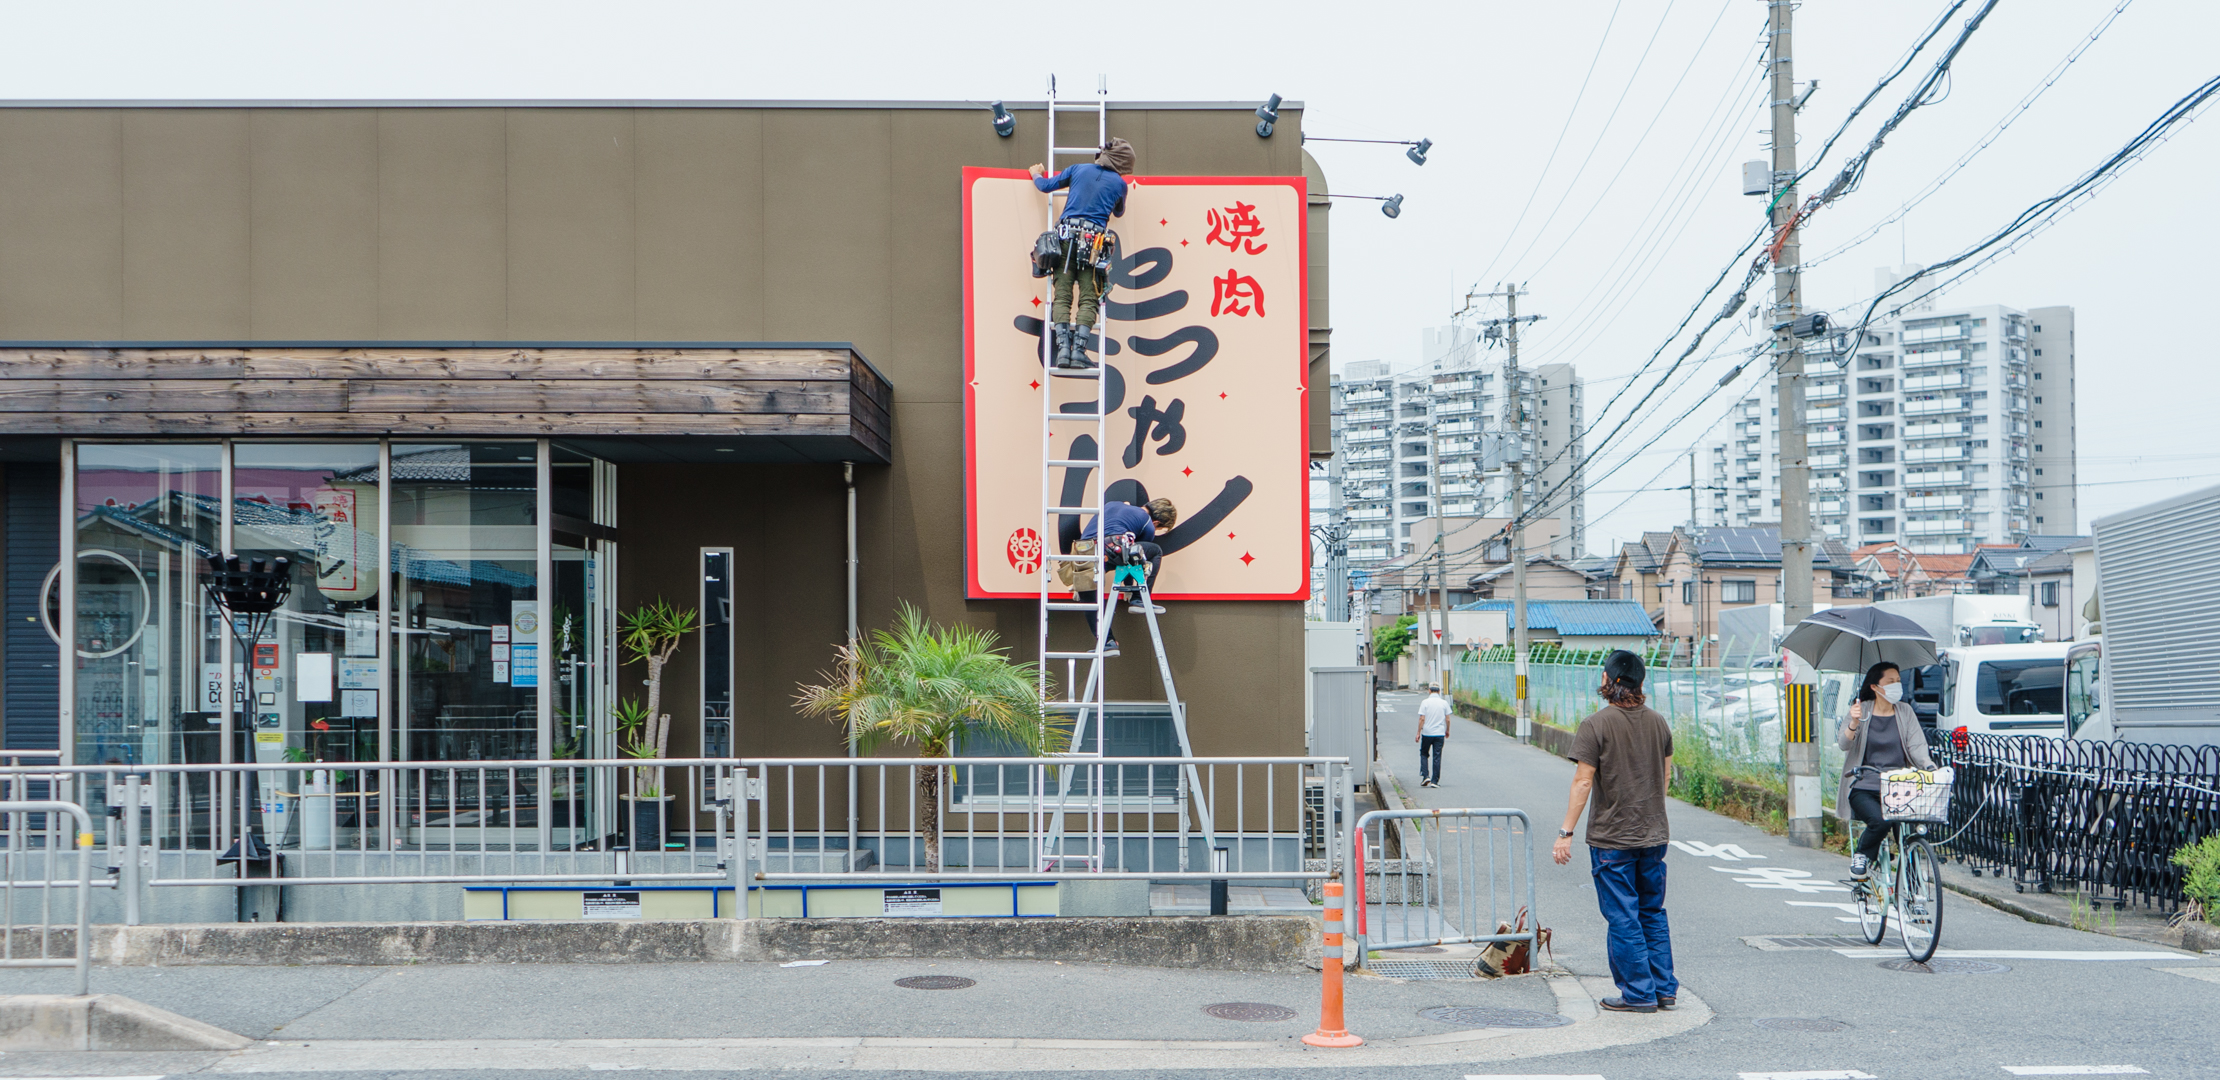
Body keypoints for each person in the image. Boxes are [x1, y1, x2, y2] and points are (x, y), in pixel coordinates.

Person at [1552, 649, 1678, 1014]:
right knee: (1652, 911)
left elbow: (1582, 782)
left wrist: (1566, 832)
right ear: (1641, 683)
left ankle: (1638, 993)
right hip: (1654, 834)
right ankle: (1664, 989)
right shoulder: (1659, 723)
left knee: (1623, 916)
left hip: (1613, 838)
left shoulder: (1596, 725)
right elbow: (1666, 776)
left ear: (1608, 681)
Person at [1029, 137, 1135, 370]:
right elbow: (1119, 212)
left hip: (1065, 239)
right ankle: (1079, 351)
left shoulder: (1078, 169)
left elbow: (1046, 186)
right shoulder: (1119, 184)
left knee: (1063, 295)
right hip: (1093, 246)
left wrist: (1036, 174)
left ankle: (1063, 350)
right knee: (1089, 298)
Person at [1839, 660, 1937, 880]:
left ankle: (1912, 888)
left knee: (1911, 831)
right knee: (1880, 821)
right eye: (1890, 681)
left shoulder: (1905, 711)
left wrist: (1929, 767)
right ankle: (1862, 857)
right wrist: (1854, 722)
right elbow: (1843, 744)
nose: (1897, 686)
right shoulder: (1860, 710)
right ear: (1875, 686)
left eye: (1898, 681)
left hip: (1901, 787)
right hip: (1865, 785)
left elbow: (1917, 746)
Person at [1070, 497, 1175, 656]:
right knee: (1154, 551)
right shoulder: (1147, 523)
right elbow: (1134, 558)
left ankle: (1107, 642)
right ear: (1157, 523)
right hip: (1112, 547)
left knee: (1090, 597)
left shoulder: (1113, 505)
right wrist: (1130, 590)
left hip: (1083, 551)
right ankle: (1138, 598)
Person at [1414, 685, 1450, 787]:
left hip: (1427, 733)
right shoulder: (1444, 703)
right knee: (1437, 756)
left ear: (1429, 690)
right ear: (1439, 691)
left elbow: (1422, 718)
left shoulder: (1425, 702)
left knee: (1424, 753)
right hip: (1439, 733)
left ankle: (1425, 776)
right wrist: (1447, 730)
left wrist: (1418, 732)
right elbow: (1447, 719)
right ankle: (1435, 781)